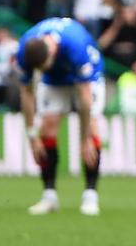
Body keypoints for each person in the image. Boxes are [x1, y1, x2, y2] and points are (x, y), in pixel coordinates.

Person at [17, 17, 105, 216]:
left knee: (92, 127)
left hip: (88, 75)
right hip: (55, 79)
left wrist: (84, 141)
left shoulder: (75, 45)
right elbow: (26, 93)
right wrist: (31, 135)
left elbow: (84, 98)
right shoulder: (24, 49)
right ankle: (49, 196)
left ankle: (90, 195)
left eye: (44, 66)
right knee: (47, 127)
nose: (42, 71)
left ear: (52, 52)